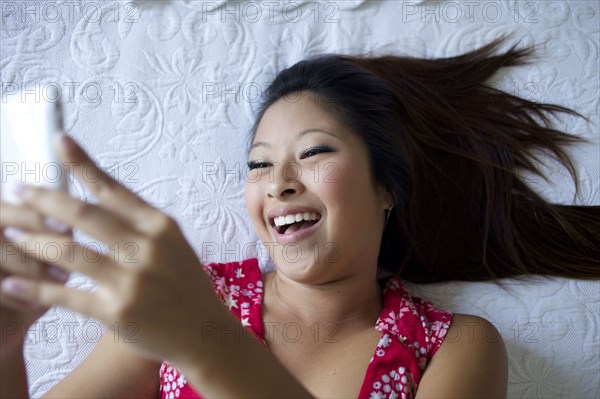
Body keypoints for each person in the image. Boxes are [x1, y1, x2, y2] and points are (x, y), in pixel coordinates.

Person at [1, 35, 598, 399]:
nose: (280, 183)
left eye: (314, 153)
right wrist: (5, 346)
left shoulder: (453, 347)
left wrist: (209, 351)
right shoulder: (189, 298)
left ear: (386, 187)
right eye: (259, 165)